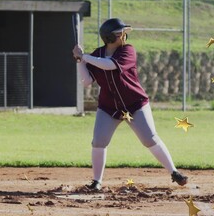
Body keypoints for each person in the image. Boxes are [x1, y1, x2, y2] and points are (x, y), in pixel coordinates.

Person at [72, 18, 188, 190]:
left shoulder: (127, 50)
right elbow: (87, 81)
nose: (123, 36)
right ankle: (97, 181)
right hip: (109, 107)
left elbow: (110, 65)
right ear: (110, 37)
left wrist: (85, 57)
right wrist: (79, 60)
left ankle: (174, 172)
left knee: (150, 138)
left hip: (135, 104)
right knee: (98, 141)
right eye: (120, 34)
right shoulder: (97, 54)